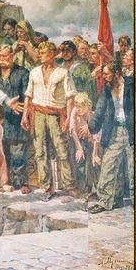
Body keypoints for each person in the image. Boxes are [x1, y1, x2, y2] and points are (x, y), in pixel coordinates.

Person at [22, 41, 78, 197]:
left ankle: (69, 185)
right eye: (39, 53)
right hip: (38, 114)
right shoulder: (34, 72)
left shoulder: (63, 72)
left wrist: (68, 118)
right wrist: (25, 115)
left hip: (56, 115)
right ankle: (46, 186)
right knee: (40, 151)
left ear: (52, 54)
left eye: (43, 53)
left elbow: (70, 97)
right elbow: (28, 95)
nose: (40, 56)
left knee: (62, 150)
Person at [87, 63, 135, 213]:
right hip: (114, 131)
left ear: (117, 73)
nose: (105, 77)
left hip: (132, 132)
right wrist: (92, 126)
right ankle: (106, 201)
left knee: (133, 169)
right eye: (104, 74)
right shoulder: (107, 90)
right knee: (108, 165)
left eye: (107, 74)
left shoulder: (132, 85)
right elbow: (100, 109)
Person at [0, 44, 31, 192]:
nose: (2, 59)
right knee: (0, 151)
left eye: (5, 56)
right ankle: (4, 181)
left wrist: (25, 115)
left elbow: (27, 97)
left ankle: (21, 182)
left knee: (18, 152)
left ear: (12, 56)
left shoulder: (23, 72)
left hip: (17, 118)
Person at [68, 92, 101, 197]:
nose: (78, 109)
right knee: (80, 163)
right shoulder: (74, 112)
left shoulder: (92, 115)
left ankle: (97, 190)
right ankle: (84, 191)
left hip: (91, 141)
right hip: (78, 140)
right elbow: (73, 131)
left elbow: (96, 137)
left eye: (81, 106)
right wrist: (79, 149)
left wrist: (95, 154)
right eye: (77, 106)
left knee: (93, 163)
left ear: (87, 106)